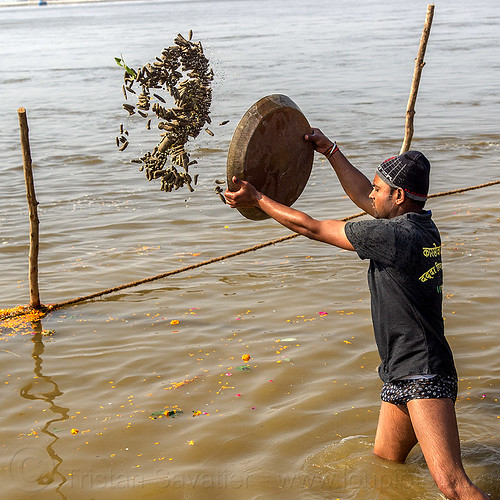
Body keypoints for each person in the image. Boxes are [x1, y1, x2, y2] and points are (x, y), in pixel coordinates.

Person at [224, 128, 489, 500]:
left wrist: (258, 199)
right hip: (400, 369)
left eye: (379, 189)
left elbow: (312, 227)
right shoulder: (421, 226)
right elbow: (366, 196)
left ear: (398, 197)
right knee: (386, 466)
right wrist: (330, 151)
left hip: (423, 371)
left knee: (452, 485)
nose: (372, 195)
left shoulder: (391, 237)